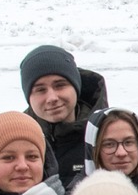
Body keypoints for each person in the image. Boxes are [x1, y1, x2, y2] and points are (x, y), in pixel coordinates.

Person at [21, 44, 104, 181]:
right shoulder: (16, 139)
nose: (52, 98)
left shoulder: (106, 134)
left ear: (76, 87)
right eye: (41, 90)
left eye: (60, 85)